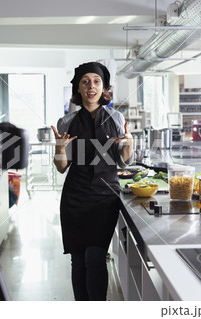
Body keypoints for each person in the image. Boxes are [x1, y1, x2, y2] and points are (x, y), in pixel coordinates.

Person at [51, 61, 133, 301]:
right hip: (75, 196)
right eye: (85, 81)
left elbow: (124, 162)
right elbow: (62, 167)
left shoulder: (116, 118)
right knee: (78, 260)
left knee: (95, 258)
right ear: (78, 87)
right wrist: (59, 149)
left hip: (105, 197)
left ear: (104, 87)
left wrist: (129, 143)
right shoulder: (66, 122)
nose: (91, 86)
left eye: (96, 81)